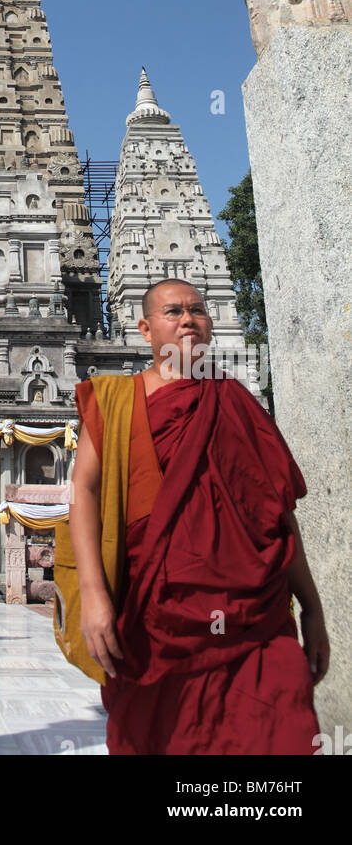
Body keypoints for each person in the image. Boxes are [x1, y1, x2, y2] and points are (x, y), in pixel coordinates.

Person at [67, 279, 329, 756]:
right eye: (173, 312)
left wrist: (311, 607)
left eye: (197, 310)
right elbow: (83, 492)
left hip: (256, 622)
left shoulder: (237, 403)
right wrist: (93, 594)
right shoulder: (114, 401)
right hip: (159, 621)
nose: (188, 319)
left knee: (283, 735)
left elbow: (277, 514)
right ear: (144, 329)